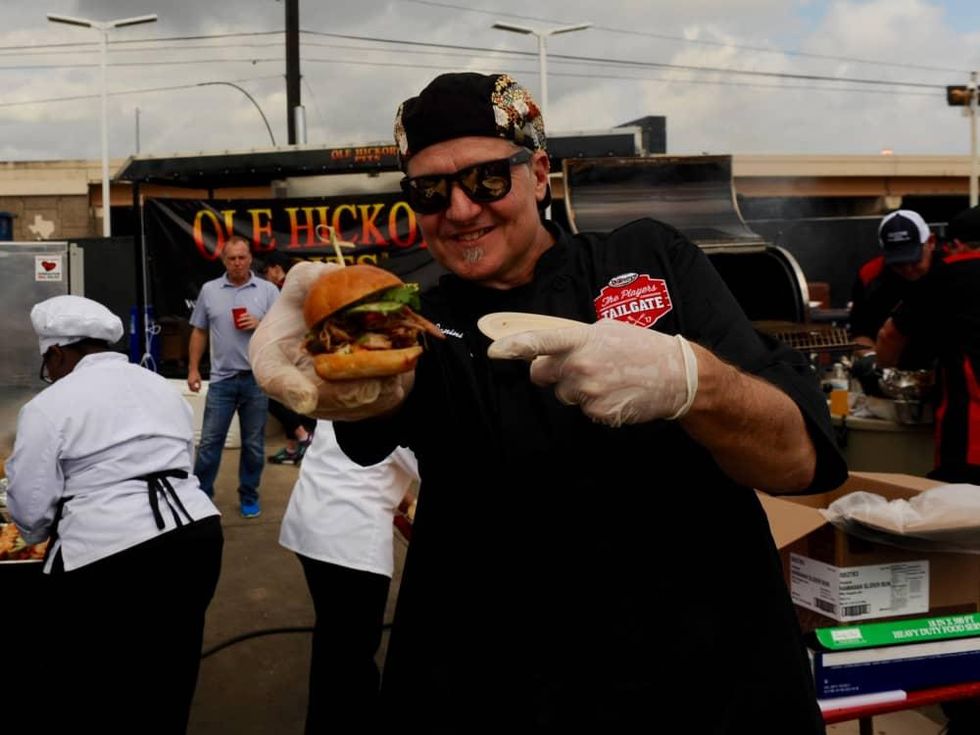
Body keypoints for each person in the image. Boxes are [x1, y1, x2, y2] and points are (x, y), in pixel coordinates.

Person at [249, 72, 848, 731]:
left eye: (485, 179)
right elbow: (374, 402)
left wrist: (692, 382)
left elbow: (799, 460)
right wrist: (328, 341)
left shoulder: (648, 259)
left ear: (538, 172)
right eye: (429, 190)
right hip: (495, 691)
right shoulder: (420, 317)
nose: (460, 209)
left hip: (703, 686)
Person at [6, 294, 223, 734]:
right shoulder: (159, 386)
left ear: (57, 352)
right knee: (168, 675)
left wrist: (44, 524)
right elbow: (186, 462)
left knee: (95, 689)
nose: (50, 374)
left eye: (49, 364)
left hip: (112, 559)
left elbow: (29, 513)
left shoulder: (48, 406)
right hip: (197, 539)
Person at [874, 204, 980, 735]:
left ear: (948, 244)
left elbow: (889, 345)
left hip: (969, 450)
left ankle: (962, 704)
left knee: (960, 582)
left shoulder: (943, 282)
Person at [279, 420, 418, 733]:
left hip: (311, 524)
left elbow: (360, 463)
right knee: (351, 663)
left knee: (335, 643)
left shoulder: (353, 389)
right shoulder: (402, 402)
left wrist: (404, 500)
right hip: (349, 543)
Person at [188, 235, 279, 517]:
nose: (237, 263)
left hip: (256, 379)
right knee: (210, 445)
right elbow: (199, 331)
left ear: (250, 258)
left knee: (253, 446)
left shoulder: (267, 290)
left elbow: (284, 330)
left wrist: (261, 323)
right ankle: (201, 497)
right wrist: (192, 368)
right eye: (232, 258)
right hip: (222, 380)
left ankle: (249, 495)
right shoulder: (210, 290)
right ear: (223, 260)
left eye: (242, 257)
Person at [848, 209, 938, 363]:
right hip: (890, 368)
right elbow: (860, 332)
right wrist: (871, 359)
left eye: (915, 261)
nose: (908, 269)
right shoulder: (870, 275)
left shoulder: (952, 271)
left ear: (930, 242)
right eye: (898, 264)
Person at [258, 250, 316, 464]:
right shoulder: (285, 287)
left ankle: (303, 436)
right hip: (292, 348)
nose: (267, 277)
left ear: (275, 268)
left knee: (276, 397)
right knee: (288, 397)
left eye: (267, 272)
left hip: (300, 350)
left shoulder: (291, 287)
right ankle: (293, 448)